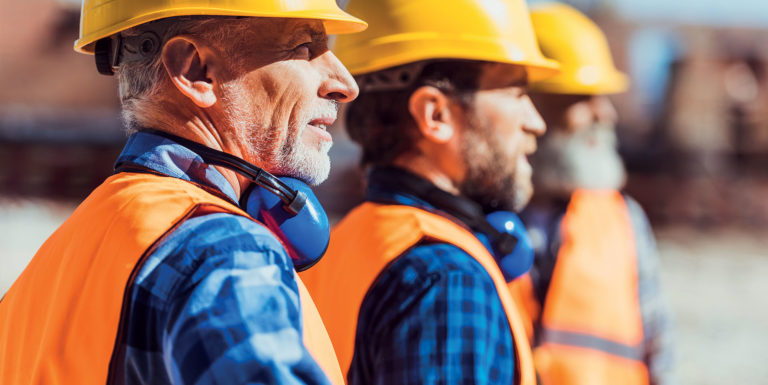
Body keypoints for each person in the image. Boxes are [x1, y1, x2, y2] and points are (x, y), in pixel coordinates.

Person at [0, 1, 367, 384]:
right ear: (196, 71)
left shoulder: (55, 262)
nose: (345, 84)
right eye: (304, 47)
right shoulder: (222, 251)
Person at [300, 0, 560, 383]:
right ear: (435, 115)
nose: (535, 123)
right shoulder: (446, 277)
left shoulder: (345, 241)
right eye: (516, 93)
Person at [510, 3, 675, 385]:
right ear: (530, 101)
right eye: (582, 98)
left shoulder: (625, 219)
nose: (606, 115)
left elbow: (659, 350)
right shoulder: (469, 214)